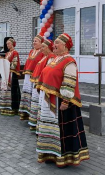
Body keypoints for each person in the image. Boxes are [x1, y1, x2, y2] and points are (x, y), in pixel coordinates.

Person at [36, 33, 90, 167]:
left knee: (63, 131)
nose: (54, 45)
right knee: (49, 127)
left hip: (62, 103)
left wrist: (66, 101)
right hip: (49, 100)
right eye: (55, 42)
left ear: (65, 46)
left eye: (58, 43)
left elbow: (69, 82)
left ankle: (64, 158)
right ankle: (49, 153)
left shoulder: (69, 61)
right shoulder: (53, 59)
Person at [29, 39, 55, 132]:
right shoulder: (45, 56)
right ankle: (35, 124)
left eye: (44, 47)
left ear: (48, 47)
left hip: (42, 85)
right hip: (38, 83)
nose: (42, 49)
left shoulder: (51, 57)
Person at [19, 35, 45, 122]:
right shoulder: (31, 51)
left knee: (34, 95)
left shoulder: (42, 52)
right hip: (28, 77)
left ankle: (34, 116)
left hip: (35, 77)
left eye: (36, 41)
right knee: (27, 94)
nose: (34, 42)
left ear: (41, 43)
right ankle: (26, 114)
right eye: (33, 41)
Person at [0, 38, 21, 116]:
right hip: (6, 73)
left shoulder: (15, 53)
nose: (7, 45)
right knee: (5, 90)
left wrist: (7, 67)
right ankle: (5, 106)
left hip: (11, 74)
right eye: (7, 44)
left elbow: (14, 63)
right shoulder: (7, 53)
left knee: (12, 90)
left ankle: (13, 108)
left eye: (8, 44)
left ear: (12, 44)